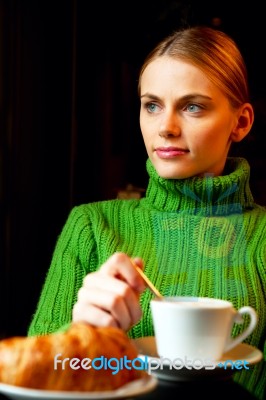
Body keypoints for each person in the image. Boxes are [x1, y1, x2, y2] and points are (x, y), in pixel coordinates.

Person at [28, 26, 265, 399]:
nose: (165, 128)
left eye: (192, 106)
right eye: (151, 105)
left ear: (242, 122)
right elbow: (33, 378)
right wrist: (79, 337)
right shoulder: (91, 225)